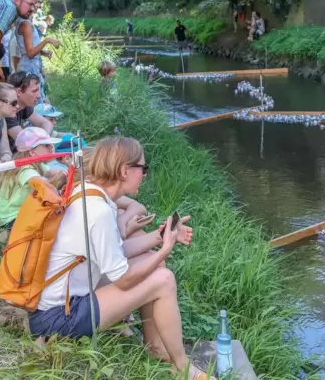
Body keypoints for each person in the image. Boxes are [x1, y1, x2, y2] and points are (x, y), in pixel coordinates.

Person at [29, 136, 212, 380]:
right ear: (125, 170)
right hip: (58, 317)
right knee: (163, 278)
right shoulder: (98, 210)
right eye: (143, 169)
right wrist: (165, 250)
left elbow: (118, 251)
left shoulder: (93, 195)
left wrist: (160, 238)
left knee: (150, 261)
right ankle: (182, 368)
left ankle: (156, 345)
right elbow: (124, 280)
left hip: (57, 303)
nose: (145, 175)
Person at [0, 126, 61, 231]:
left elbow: (53, 171)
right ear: (32, 152)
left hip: (24, 212)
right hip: (13, 218)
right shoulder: (25, 169)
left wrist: (70, 168)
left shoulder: (36, 164)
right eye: (46, 146)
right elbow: (45, 185)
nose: (51, 148)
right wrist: (64, 177)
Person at [13, 13, 60, 102]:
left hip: (31, 65)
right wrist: (47, 40)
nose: (36, 6)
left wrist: (42, 52)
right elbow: (30, 53)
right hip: (29, 66)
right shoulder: (26, 25)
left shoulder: (25, 23)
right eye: (34, 3)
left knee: (42, 98)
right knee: (37, 100)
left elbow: (28, 48)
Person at [5, 71, 54, 152]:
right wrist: (43, 141)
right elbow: (26, 141)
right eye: (34, 91)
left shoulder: (24, 106)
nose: (39, 96)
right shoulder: (7, 113)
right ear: (19, 92)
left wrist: (44, 139)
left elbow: (46, 123)